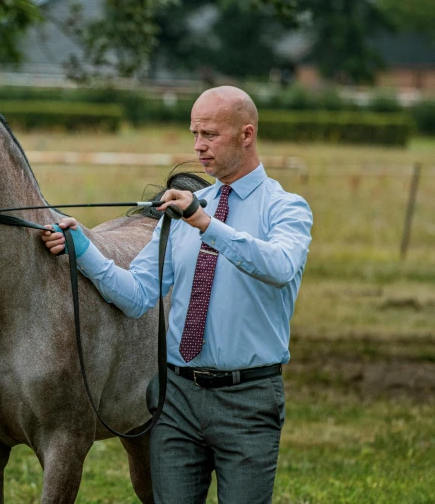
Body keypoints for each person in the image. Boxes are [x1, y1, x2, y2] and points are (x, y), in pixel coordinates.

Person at [40, 86, 313, 504]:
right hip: (175, 398)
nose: (198, 147)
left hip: (248, 400)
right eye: (194, 134)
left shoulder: (286, 208)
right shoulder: (185, 211)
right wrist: (83, 251)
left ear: (246, 134)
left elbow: (279, 267)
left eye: (209, 135)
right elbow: (136, 296)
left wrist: (204, 222)